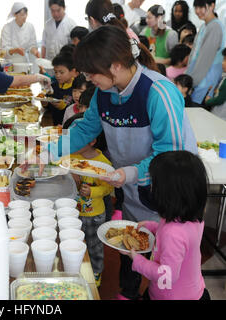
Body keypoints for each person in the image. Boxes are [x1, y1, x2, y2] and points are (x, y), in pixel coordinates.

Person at [39, 25, 198, 300]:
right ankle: (127, 292)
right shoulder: (104, 94)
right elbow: (85, 130)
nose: (88, 80)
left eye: (91, 73)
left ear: (114, 66)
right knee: (131, 245)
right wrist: (49, 152)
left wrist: (131, 173)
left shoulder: (159, 93)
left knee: (167, 261)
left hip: (168, 191)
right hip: (130, 184)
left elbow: (169, 155)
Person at [122, 150, 210, 300]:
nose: (151, 187)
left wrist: (136, 258)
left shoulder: (172, 232)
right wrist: (153, 226)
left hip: (169, 295)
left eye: (154, 184)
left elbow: (166, 275)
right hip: (192, 291)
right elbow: (183, 240)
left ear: (168, 194)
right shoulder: (192, 217)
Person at [70, 131, 113, 288]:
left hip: (94, 214)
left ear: (92, 141)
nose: (73, 141)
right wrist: (70, 176)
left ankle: (95, 272)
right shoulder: (72, 157)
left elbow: (108, 188)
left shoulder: (103, 163)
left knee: (94, 245)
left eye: (78, 138)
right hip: (73, 212)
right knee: (74, 243)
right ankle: (76, 270)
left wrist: (92, 192)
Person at [186, 0, 225, 104]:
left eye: (202, 7)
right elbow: (194, 56)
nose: (198, 11)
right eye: (196, 7)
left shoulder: (215, 27)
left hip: (204, 85)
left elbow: (204, 61)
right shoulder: (204, 26)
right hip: (196, 82)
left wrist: (190, 83)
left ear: (212, 6)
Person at [44, 53, 78, 125]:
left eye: (61, 72)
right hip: (56, 125)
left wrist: (63, 105)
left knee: (66, 136)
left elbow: (70, 102)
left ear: (73, 72)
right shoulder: (53, 86)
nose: (57, 75)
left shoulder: (76, 88)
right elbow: (48, 105)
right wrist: (44, 103)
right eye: (55, 72)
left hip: (70, 127)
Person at [204, 48, 226, 121]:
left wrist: (208, 101)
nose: (222, 63)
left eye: (225, 60)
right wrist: (216, 90)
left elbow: (219, 100)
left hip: (220, 115)